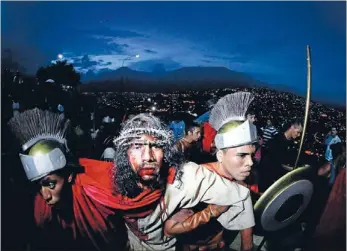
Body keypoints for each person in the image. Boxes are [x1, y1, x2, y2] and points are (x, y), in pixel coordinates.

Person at [112, 113, 254, 251]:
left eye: (156, 146)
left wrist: (245, 245)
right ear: (125, 153)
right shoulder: (109, 184)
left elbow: (241, 195)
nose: (148, 157)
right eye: (137, 146)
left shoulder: (186, 176)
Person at [8, 108, 128, 251]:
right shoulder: (40, 208)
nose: (45, 195)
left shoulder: (100, 192)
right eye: (38, 187)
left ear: (69, 176)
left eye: (51, 184)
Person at [164, 92, 257, 251]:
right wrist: (213, 211)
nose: (250, 162)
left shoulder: (243, 185)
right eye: (242, 155)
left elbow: (247, 240)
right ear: (220, 155)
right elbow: (170, 229)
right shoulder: (195, 178)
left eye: (252, 155)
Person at [258, 118, 303, 192]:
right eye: (298, 132)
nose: (299, 135)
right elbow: (275, 162)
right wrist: (292, 169)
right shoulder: (277, 140)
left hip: (277, 178)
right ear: (292, 127)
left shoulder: (291, 143)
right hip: (267, 177)